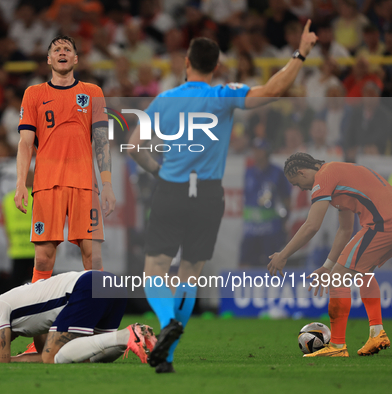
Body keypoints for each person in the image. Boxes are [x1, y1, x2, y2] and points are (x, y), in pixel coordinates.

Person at [127, 20, 317, 373]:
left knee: (154, 268)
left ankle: (167, 322)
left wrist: (155, 169)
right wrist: (300, 52)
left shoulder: (165, 100)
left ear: (186, 62)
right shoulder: (223, 94)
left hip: (171, 188)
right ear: (216, 67)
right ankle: (167, 356)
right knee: (190, 273)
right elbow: (274, 88)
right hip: (209, 194)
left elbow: (135, 147)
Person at [268, 153, 392, 357]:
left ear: (301, 172)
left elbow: (311, 226)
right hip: (386, 221)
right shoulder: (337, 176)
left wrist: (284, 254)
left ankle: (337, 346)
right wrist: (327, 265)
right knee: (363, 273)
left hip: (382, 223)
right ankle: (377, 333)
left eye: (297, 183)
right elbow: (345, 229)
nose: (301, 188)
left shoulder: (324, 176)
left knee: (337, 279)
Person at [15, 35, 115, 283]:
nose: (62, 52)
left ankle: (96, 318)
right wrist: (20, 184)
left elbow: (102, 142)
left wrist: (108, 185)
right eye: (57, 49)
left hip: (84, 184)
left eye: (67, 49)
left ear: (75, 58)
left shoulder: (93, 92)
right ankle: (38, 316)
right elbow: (26, 143)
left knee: (93, 257)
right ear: (49, 59)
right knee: (43, 258)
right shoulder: (33, 94)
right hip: (48, 183)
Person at [0, 270, 155, 364]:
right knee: (87, 355)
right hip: (111, 283)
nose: (6, 339)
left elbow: (3, 358)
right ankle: (141, 335)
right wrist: (17, 356)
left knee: (53, 357)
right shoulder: (32, 322)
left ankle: (126, 334)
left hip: (87, 285)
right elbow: (44, 353)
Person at [240, 138, 291, 267]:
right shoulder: (249, 172)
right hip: (251, 229)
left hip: (271, 228)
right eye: (255, 150)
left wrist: (285, 219)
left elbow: (286, 198)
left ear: (266, 152)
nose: (257, 153)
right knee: (245, 261)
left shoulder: (277, 172)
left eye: (260, 150)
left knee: (272, 262)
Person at [2, 171, 35, 287]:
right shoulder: (40, 196)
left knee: (15, 286)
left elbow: (5, 224)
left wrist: (10, 242)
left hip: (17, 249)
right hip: (37, 249)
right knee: (40, 287)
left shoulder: (8, 198)